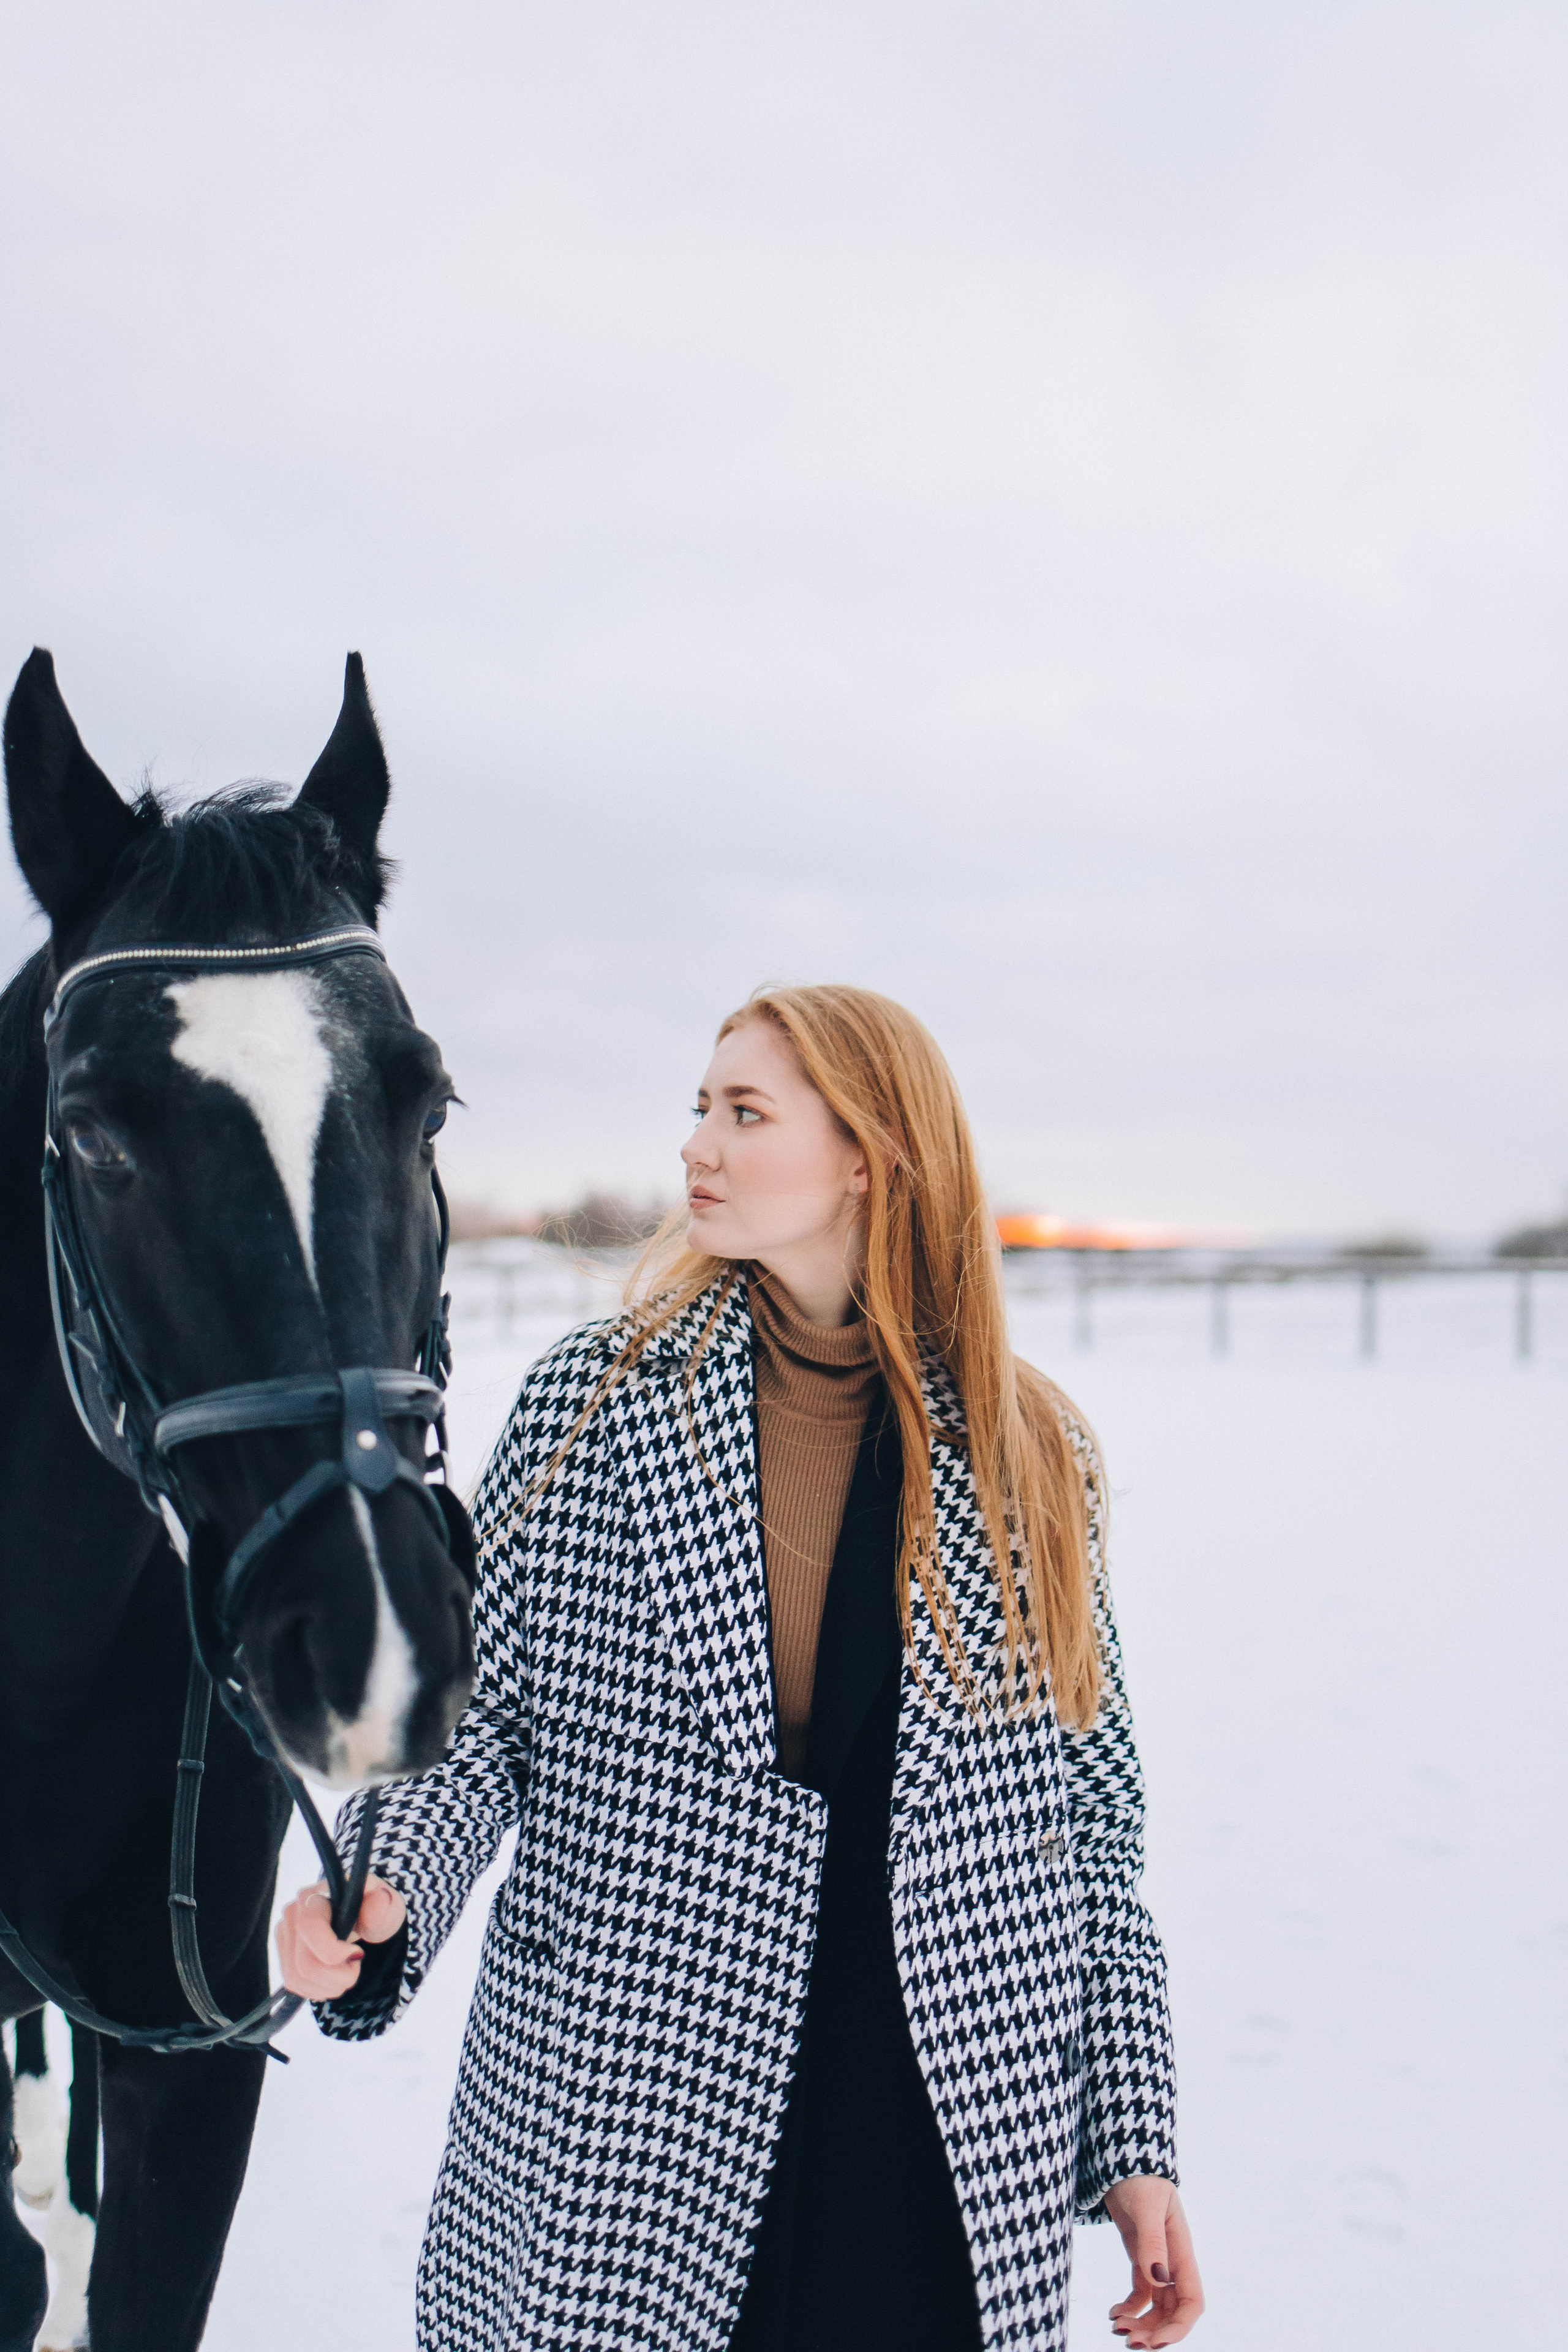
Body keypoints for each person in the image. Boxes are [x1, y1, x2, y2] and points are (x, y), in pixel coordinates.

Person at [278, 985, 1204, 2352]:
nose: (695, 1147)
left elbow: (1088, 1823)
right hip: (634, 2117)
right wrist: (384, 1890)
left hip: (940, 2133)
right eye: (698, 1109)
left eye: (744, 1112)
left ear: (868, 1154)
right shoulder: (596, 1404)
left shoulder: (1027, 1454)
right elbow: (488, 1725)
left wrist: (1130, 2138)